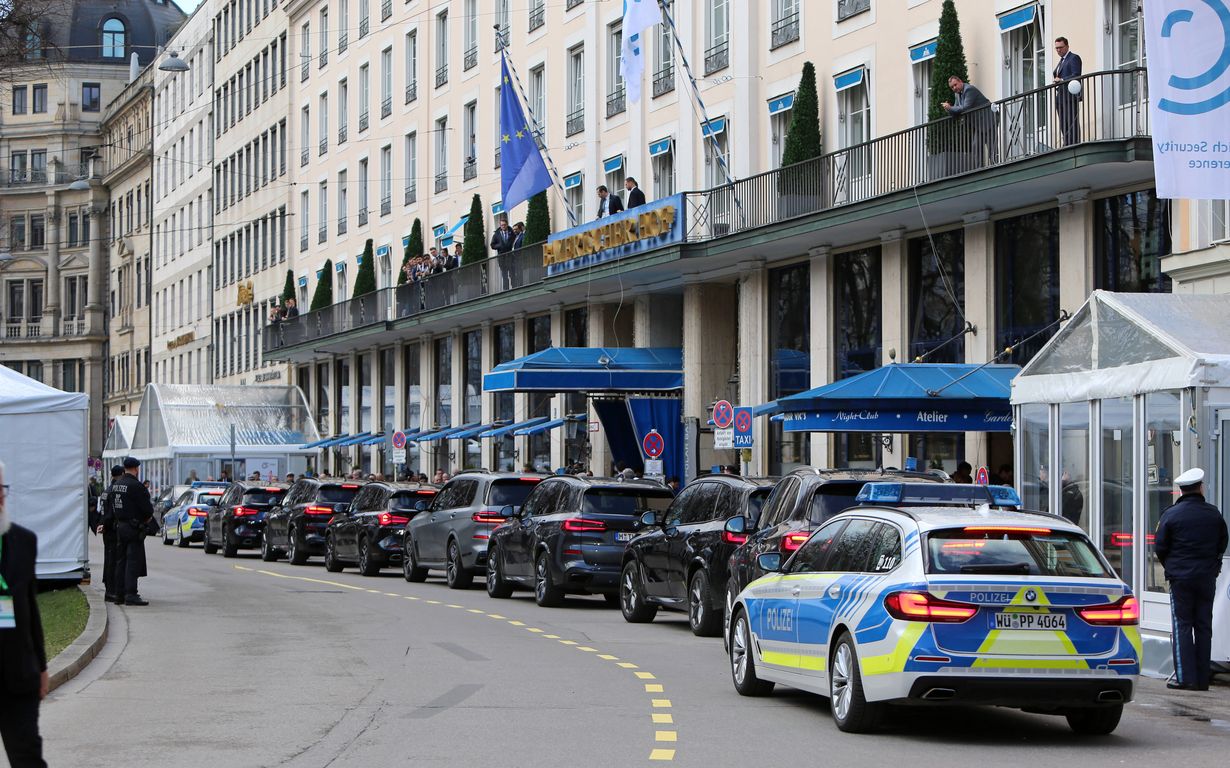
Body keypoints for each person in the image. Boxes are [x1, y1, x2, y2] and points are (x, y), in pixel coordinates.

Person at [1155, 468, 1229, 691]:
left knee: (1183, 625)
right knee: (1204, 626)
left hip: (1180, 579)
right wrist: (1214, 566)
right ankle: (1203, 678)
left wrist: (1171, 567)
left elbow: (1160, 547)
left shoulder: (1170, 515)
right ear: (1201, 488)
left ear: (1181, 490)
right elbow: (1222, 543)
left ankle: (1186, 678)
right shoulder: (1213, 514)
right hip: (1206, 578)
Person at [0, 460, 49, 767]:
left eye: (0, 491)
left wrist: (41, 666)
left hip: (18, 674)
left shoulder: (23, 542)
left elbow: (30, 608)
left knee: (28, 758)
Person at [108, 457, 155, 606]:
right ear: (136, 469)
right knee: (132, 561)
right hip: (134, 527)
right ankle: (131, 594)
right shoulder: (136, 486)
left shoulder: (116, 485)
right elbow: (148, 510)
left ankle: (119, 594)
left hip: (120, 526)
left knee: (120, 561)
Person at [941, 75, 997, 165]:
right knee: (976, 146)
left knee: (992, 147)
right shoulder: (957, 94)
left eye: (955, 85)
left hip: (988, 119)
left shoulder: (969, 89)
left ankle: (996, 166)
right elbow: (956, 110)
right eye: (952, 87)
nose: (954, 88)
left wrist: (950, 108)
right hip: (979, 125)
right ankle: (979, 169)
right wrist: (949, 109)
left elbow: (965, 108)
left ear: (960, 81)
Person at [98, 465, 124, 602]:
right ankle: (111, 591)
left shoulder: (106, 491)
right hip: (112, 530)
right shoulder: (114, 491)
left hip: (106, 530)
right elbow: (110, 514)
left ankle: (109, 589)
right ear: (121, 474)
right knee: (113, 561)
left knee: (108, 559)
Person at [1053, 36, 1083, 145]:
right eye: (1056, 48)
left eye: (1060, 47)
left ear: (1067, 46)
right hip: (1060, 97)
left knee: (1071, 121)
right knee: (1063, 122)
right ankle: (1067, 143)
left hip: (1069, 96)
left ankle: (1073, 143)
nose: (1058, 50)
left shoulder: (1073, 58)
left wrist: (1061, 80)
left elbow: (1076, 75)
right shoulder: (1061, 61)